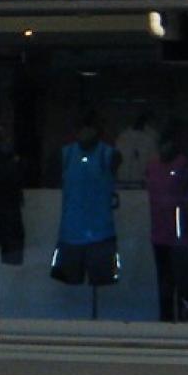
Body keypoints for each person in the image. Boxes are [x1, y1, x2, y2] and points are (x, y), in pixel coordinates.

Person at [53, 118, 119, 287]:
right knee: (70, 290)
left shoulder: (108, 154)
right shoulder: (65, 154)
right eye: (82, 128)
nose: (86, 133)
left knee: (103, 286)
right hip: (71, 235)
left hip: (101, 236)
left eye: (90, 128)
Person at [143, 133, 188, 321]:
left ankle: (186, 322)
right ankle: (167, 322)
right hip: (161, 236)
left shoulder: (183, 165)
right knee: (166, 285)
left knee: (185, 285)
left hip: (182, 237)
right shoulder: (153, 166)